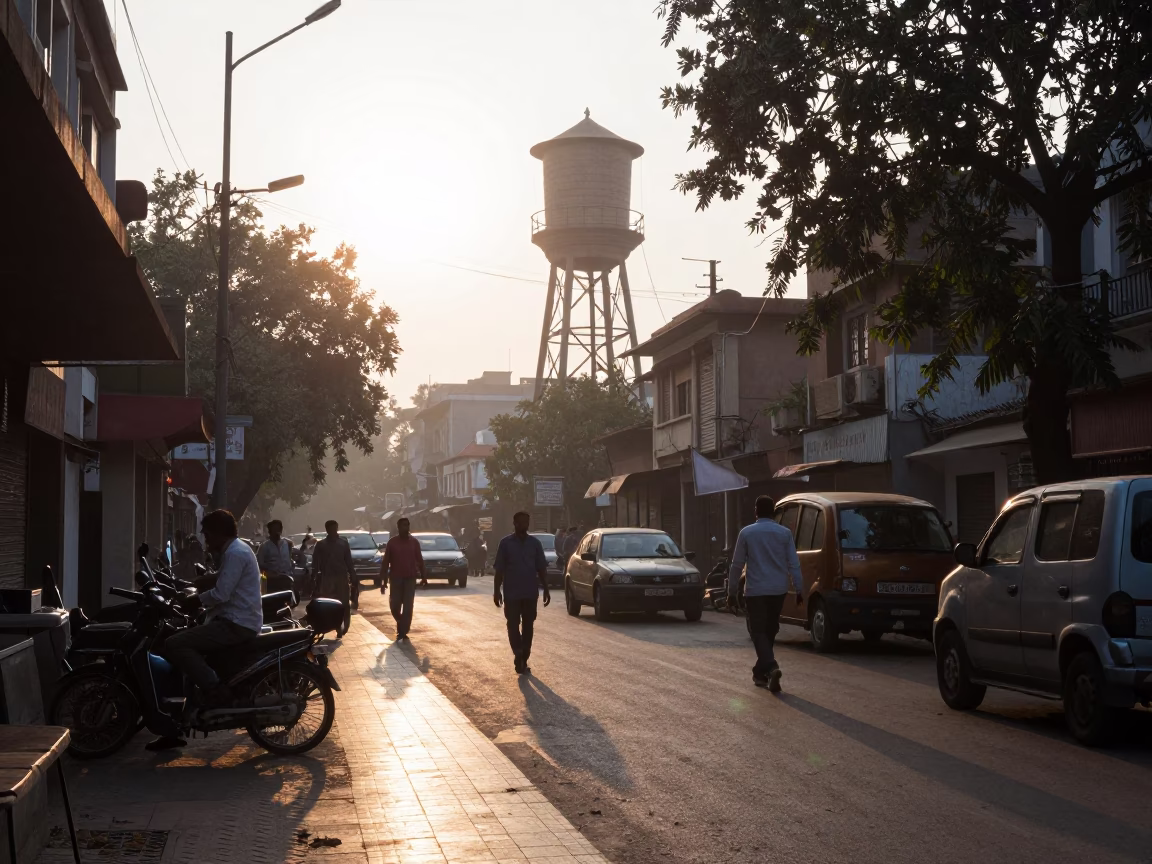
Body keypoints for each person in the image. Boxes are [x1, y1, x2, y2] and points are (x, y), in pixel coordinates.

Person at [158, 509, 262, 750]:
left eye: (207, 535)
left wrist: (195, 600)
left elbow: (222, 593)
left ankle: (214, 688)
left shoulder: (235, 553)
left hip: (236, 623)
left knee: (176, 644)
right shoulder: (235, 550)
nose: (206, 541)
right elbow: (224, 579)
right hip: (232, 618)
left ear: (218, 533)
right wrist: (201, 582)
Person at [728, 495, 804, 693]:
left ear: (756, 511)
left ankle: (770, 666)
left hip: (755, 591)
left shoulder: (746, 533)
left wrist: (731, 591)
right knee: (770, 629)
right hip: (778, 589)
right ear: (773, 512)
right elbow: (793, 564)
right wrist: (799, 588)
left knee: (758, 631)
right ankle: (760, 673)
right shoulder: (785, 533)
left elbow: (736, 565)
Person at [493, 511, 550, 675]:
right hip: (511, 593)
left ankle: (524, 655)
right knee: (512, 624)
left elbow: (541, 568)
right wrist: (497, 592)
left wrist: (546, 589)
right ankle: (518, 651)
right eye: (521, 522)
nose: (524, 525)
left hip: (530, 592)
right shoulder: (505, 543)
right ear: (515, 523)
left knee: (528, 625)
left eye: (527, 522)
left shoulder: (535, 544)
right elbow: (499, 571)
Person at [380, 517, 424, 640]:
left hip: (410, 579)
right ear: (398, 527)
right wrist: (383, 581)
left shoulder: (414, 542)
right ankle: (400, 621)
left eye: (407, 525)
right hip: (395, 579)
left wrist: (424, 577)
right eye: (403, 525)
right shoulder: (392, 543)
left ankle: (403, 631)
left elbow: (420, 560)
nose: (406, 528)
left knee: (408, 606)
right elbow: (385, 563)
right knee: (394, 605)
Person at [312, 520, 355, 637]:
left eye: (335, 528)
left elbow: (349, 562)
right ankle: (337, 627)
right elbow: (315, 563)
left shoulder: (343, 543)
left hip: (342, 577)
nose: (333, 531)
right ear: (327, 530)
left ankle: (345, 625)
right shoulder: (321, 545)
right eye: (331, 529)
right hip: (327, 578)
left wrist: (353, 576)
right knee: (330, 604)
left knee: (344, 603)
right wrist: (313, 578)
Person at [257, 519, 294, 594]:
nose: (277, 532)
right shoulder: (264, 546)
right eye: (274, 529)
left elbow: (289, 560)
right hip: (271, 580)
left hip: (286, 578)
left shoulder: (287, 544)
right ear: (270, 531)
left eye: (278, 529)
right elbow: (259, 564)